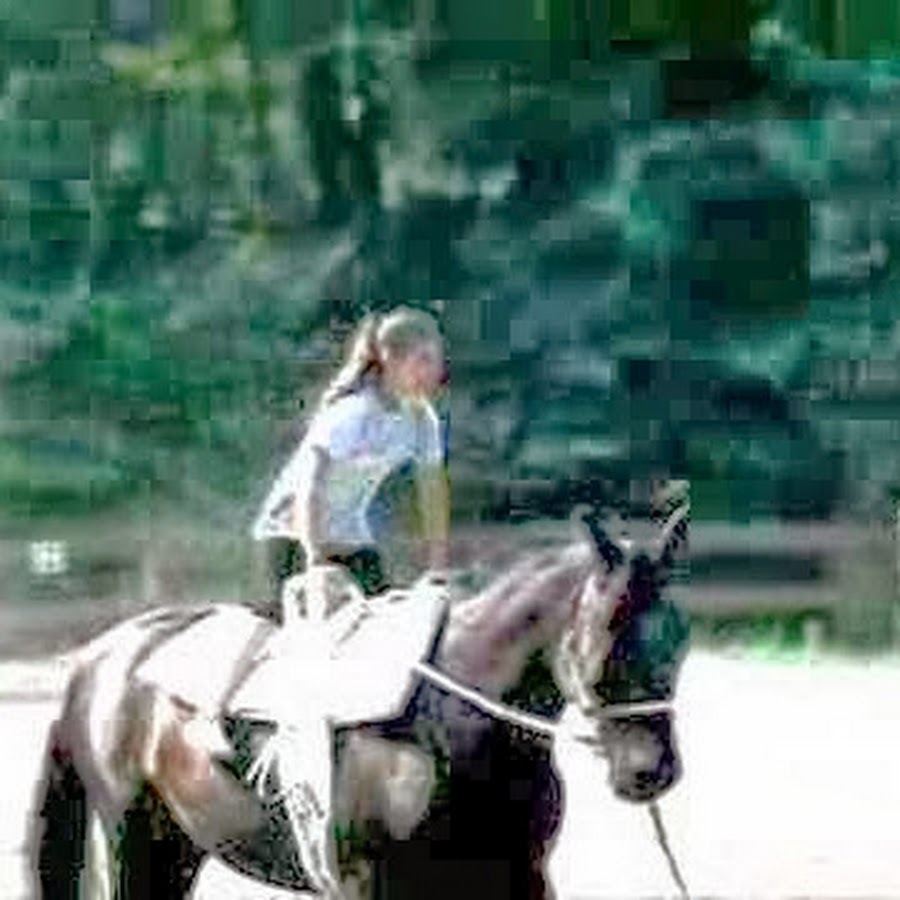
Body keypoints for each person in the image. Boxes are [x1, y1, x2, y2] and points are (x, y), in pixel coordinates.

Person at [253, 305, 449, 623]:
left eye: (436, 361)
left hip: (350, 539)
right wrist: (315, 560)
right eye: (423, 360)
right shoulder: (353, 413)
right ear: (389, 358)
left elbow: (433, 494)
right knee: (301, 634)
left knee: (382, 626)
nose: (434, 372)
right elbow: (309, 486)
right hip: (292, 535)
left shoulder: (421, 420)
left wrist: (437, 568)